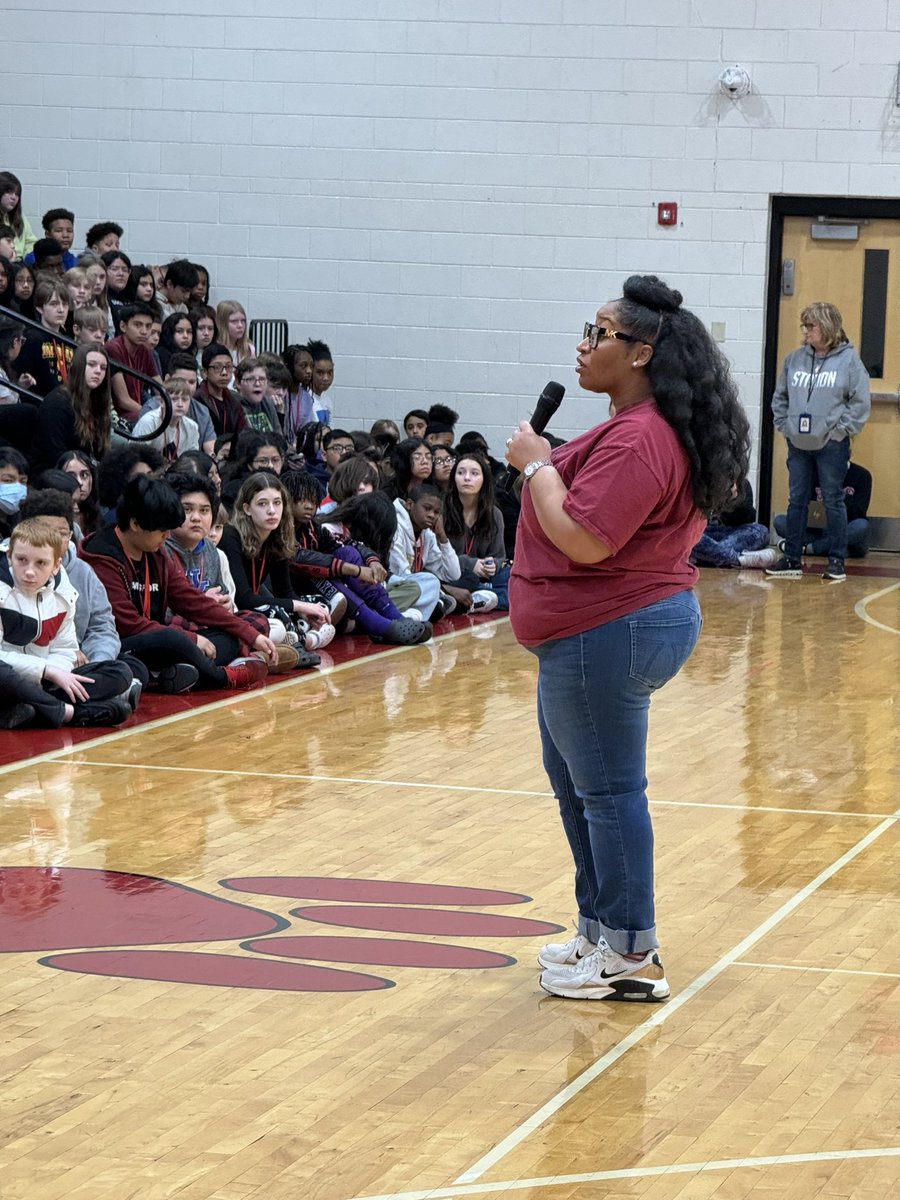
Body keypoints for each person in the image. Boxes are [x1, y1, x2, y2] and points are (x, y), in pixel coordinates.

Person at [506, 274, 749, 1003]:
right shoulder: (635, 425)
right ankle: (599, 931)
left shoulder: (643, 437)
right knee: (582, 790)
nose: (584, 346)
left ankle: (632, 954)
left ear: (641, 353)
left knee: (609, 794)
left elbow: (586, 538)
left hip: (610, 628)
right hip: (595, 630)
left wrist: (538, 466)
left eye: (599, 334)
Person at [79, 475, 278, 692]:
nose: (167, 536)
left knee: (229, 635)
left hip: (161, 642)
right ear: (135, 524)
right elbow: (127, 624)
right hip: (123, 644)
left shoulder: (154, 551)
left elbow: (191, 600)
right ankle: (221, 677)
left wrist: (250, 634)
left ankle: (176, 675)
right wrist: (190, 639)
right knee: (171, 638)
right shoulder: (102, 557)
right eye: (162, 530)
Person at [767, 301, 871, 583]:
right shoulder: (794, 359)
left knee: (833, 500)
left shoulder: (849, 361)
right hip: (798, 442)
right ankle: (791, 559)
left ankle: (836, 561)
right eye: (804, 325)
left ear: (827, 326)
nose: (806, 331)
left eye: (811, 325)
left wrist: (841, 430)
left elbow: (860, 402)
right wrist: (785, 426)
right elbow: (780, 397)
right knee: (797, 500)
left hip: (831, 444)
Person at [0, 518, 133, 728]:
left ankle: (33, 709)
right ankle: (69, 712)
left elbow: (65, 649)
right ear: (9, 556)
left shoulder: (63, 593)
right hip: (8, 678)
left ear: (56, 565)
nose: (30, 571)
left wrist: (57, 675)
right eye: (21, 560)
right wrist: (46, 670)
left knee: (120, 672)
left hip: (43, 681)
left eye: (41, 563)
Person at [218, 472, 334, 652]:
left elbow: (284, 591)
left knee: (319, 604)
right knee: (277, 617)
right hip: (234, 611)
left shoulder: (275, 536)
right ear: (247, 509)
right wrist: (299, 606)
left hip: (256, 608)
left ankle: (296, 637)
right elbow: (243, 599)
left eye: (277, 503)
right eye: (262, 504)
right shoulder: (230, 536)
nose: (272, 510)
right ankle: (303, 641)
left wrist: (304, 611)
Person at [30, 343, 112, 474]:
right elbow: (56, 455)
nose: (98, 371)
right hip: (52, 474)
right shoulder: (57, 403)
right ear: (79, 367)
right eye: (91, 365)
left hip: (85, 473)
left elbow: (101, 453)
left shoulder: (98, 404)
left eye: (103, 368)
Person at [442, 452, 506, 612]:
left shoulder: (494, 514)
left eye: (474, 473)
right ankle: (481, 599)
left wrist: (492, 564)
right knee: (471, 581)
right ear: (453, 478)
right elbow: (435, 558)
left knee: (511, 576)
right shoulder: (442, 509)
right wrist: (470, 564)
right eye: (461, 473)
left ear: (485, 479)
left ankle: (475, 599)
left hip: (483, 578)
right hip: (451, 576)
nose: (467, 478)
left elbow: (500, 557)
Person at [772, 460, 872, 559]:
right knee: (780, 521)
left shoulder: (862, 475)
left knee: (862, 526)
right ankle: (829, 549)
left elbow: (859, 512)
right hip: (816, 530)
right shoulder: (814, 472)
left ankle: (810, 548)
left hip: (844, 528)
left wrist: (839, 497)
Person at [690, 480, 775, 569]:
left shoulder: (741, 483)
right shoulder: (698, 482)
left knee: (761, 531)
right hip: (706, 532)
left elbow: (749, 517)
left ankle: (705, 557)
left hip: (730, 534)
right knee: (688, 536)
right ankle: (740, 560)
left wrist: (730, 500)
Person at [14, 277, 73, 396]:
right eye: (54, 304)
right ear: (40, 308)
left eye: (65, 304)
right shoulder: (32, 338)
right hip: (41, 401)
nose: (61, 310)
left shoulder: (69, 341)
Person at [105, 301, 163, 422]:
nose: (144, 331)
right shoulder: (113, 348)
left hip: (137, 411)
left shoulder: (145, 350)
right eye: (138, 325)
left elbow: (160, 388)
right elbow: (123, 400)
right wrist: (151, 414)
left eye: (148, 326)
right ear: (123, 326)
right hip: (116, 416)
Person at [196, 342, 248, 437]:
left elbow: (244, 434)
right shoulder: (197, 400)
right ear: (204, 372)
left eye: (228, 367)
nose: (224, 373)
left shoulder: (235, 399)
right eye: (217, 367)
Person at [0, 172, 37, 260]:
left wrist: (27, 261)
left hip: (20, 263)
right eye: (9, 192)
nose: (14, 197)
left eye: (17, 194)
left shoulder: (21, 218)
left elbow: (30, 242)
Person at [216, 299, 255, 364]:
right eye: (234, 321)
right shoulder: (213, 349)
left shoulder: (249, 349)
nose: (240, 325)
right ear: (222, 324)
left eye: (243, 321)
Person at [307, 339, 334, 423]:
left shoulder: (327, 401)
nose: (326, 378)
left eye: (330, 372)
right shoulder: (305, 399)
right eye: (320, 373)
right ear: (311, 370)